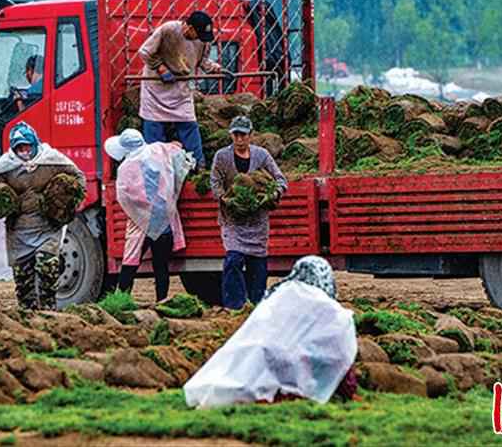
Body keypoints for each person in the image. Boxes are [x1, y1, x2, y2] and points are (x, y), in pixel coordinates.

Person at [184, 256, 358, 407]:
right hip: (286, 386)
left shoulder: (277, 298)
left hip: (254, 376)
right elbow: (339, 357)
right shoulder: (334, 316)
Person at [0, 121, 86, 310]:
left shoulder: (51, 159)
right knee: (23, 280)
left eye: (27, 146)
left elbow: (78, 176)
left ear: (35, 143)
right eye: (19, 148)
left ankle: (49, 309)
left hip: (48, 227)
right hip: (19, 231)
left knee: (47, 267)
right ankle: (28, 317)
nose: (24, 151)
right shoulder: (6, 165)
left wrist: (73, 200)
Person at [105, 128, 195, 302]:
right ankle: (161, 301)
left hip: (140, 222)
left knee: (130, 262)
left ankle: (121, 300)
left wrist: (141, 213)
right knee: (161, 265)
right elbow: (178, 151)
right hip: (164, 217)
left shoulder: (126, 168)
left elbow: (124, 197)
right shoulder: (158, 150)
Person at [210, 115, 287, 309]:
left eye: (243, 135)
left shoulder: (262, 155)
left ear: (251, 135)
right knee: (233, 259)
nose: (239, 139)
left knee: (257, 263)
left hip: (257, 220)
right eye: (236, 135)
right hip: (233, 219)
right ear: (231, 135)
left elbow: (280, 179)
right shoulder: (222, 157)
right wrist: (224, 198)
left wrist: (271, 195)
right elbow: (215, 181)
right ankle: (234, 305)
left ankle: (256, 305)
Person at [138, 10, 231, 169]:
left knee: (189, 126)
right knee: (154, 130)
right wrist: (161, 69)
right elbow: (145, 52)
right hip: (156, 88)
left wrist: (216, 69)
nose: (199, 38)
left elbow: (203, 61)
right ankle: (154, 168)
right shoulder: (168, 30)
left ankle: (198, 166)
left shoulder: (203, 41)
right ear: (189, 27)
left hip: (181, 88)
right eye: (197, 33)